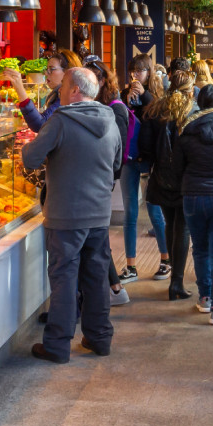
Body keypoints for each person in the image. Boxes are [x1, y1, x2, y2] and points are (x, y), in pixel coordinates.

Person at [22, 67, 123, 363]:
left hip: (66, 214)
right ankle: (99, 338)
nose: (61, 91)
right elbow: (116, 162)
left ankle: (56, 345)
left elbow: (30, 158)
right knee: (95, 277)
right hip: (99, 214)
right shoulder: (111, 120)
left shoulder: (61, 121)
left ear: (75, 90)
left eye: (64, 86)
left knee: (64, 277)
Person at [170, 84, 213, 324]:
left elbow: (176, 167)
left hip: (192, 196)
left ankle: (205, 298)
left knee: (200, 249)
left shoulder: (187, 128)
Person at [139, 69, 195, 300]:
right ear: (189, 90)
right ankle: (177, 282)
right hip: (186, 178)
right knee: (182, 228)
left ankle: (174, 278)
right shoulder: (191, 111)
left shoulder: (156, 108)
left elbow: (145, 145)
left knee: (170, 225)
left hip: (161, 178)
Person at [83, 55, 131, 306]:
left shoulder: (115, 108)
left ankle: (114, 289)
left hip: (101, 181)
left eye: (90, 79)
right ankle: (114, 288)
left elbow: (118, 153)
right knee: (99, 236)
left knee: (99, 237)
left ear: (102, 80)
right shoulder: (97, 105)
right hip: (98, 181)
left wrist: (108, 178)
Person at [118, 54, 169, 282]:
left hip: (150, 161)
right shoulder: (125, 94)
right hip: (129, 159)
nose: (135, 76)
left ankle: (166, 260)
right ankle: (131, 266)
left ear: (149, 72)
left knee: (155, 212)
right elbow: (121, 121)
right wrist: (127, 101)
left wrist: (144, 95)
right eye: (132, 72)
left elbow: (159, 118)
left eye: (139, 71)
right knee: (130, 212)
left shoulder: (156, 96)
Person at [4, 50, 81, 132]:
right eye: (47, 70)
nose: (46, 74)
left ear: (67, 72)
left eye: (51, 69)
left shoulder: (67, 98)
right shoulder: (59, 95)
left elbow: (41, 125)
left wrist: (19, 88)